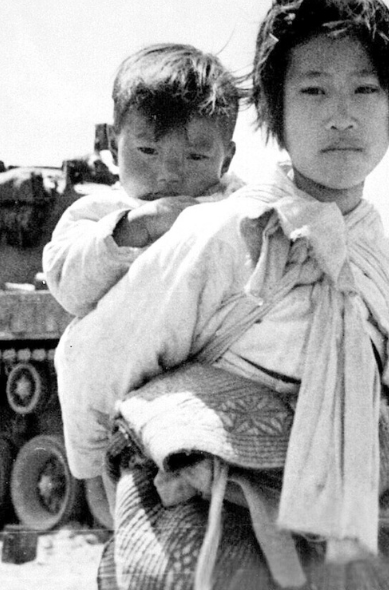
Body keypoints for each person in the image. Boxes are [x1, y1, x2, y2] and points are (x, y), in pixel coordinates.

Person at [57, 0, 389, 589]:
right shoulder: (220, 233)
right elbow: (100, 352)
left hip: (362, 497)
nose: (341, 117)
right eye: (312, 92)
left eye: (365, 90)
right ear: (275, 113)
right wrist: (96, 474)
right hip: (216, 495)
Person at [43, 43, 243, 526]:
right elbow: (66, 282)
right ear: (114, 146)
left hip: (208, 372)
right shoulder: (99, 212)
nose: (169, 174)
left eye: (196, 155)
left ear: (226, 156)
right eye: (148, 150)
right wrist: (134, 228)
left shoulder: (236, 203)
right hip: (119, 384)